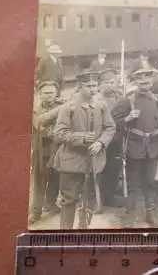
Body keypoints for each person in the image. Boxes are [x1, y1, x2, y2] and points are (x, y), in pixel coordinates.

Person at [53, 68, 116, 229]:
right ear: (80, 86)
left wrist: (100, 143)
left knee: (88, 199)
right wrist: (80, 138)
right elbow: (59, 134)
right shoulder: (69, 107)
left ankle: (83, 230)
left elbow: (110, 128)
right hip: (71, 161)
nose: (92, 88)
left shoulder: (101, 106)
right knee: (69, 200)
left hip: (93, 161)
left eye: (95, 85)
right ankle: (65, 234)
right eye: (88, 85)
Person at [112, 66, 158, 227]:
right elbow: (113, 124)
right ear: (136, 82)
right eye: (141, 80)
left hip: (153, 146)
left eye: (147, 80)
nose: (145, 83)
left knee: (151, 182)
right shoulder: (127, 100)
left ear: (152, 81)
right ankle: (129, 216)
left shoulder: (157, 99)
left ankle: (150, 214)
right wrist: (128, 119)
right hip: (134, 147)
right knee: (133, 183)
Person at [29, 81, 66, 225]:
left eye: (52, 92)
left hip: (57, 149)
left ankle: (51, 204)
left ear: (56, 93)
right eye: (46, 93)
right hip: (41, 150)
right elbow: (41, 126)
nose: (49, 95)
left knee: (55, 178)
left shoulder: (62, 107)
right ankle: (36, 211)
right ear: (40, 94)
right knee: (39, 181)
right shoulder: (35, 110)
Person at [93, 68, 125, 208]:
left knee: (114, 167)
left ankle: (110, 194)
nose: (110, 85)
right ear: (100, 84)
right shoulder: (96, 99)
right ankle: (101, 197)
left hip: (117, 138)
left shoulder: (119, 96)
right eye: (106, 82)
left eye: (112, 82)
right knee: (102, 169)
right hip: (102, 139)